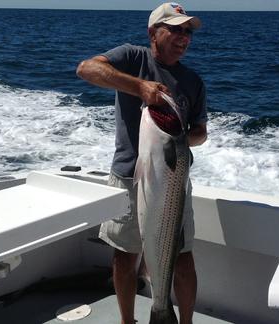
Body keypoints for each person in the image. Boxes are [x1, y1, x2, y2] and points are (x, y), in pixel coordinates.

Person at [76, 3, 207, 324]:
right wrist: (140, 86)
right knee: (125, 257)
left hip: (175, 179)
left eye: (187, 32)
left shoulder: (193, 81)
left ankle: (179, 319)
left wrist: (177, 136)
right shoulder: (133, 58)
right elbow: (86, 69)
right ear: (153, 32)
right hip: (128, 178)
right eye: (175, 29)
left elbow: (200, 132)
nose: (183, 37)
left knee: (184, 258)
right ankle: (127, 321)